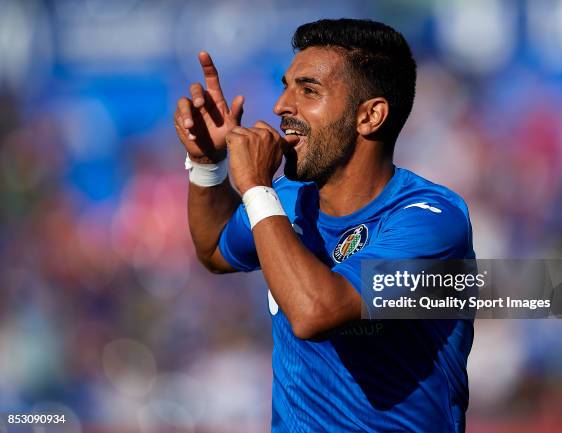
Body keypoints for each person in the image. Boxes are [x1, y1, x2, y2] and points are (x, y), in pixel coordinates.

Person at [174, 18, 475, 433]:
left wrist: (256, 188)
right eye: (286, 85)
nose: (281, 106)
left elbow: (316, 312)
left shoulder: (430, 220)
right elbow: (214, 249)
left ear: (370, 116)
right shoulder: (289, 201)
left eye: (309, 91)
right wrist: (208, 166)